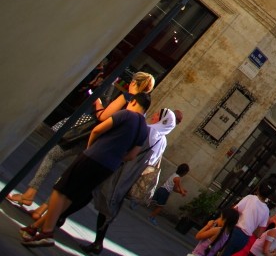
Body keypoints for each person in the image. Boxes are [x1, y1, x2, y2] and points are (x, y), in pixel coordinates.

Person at [7, 71, 156, 217]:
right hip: (106, 147)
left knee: (53, 156)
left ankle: (30, 193)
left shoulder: (127, 98)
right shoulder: (141, 111)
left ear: (134, 83)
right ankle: (43, 209)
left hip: (91, 139)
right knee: (70, 174)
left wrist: (97, 102)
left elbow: (103, 117)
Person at [20, 92, 151, 248]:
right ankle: (36, 228)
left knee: (60, 190)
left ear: (135, 102)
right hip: (108, 167)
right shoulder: (144, 129)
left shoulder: (126, 114)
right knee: (71, 196)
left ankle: (47, 232)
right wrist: (115, 156)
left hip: (94, 156)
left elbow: (98, 130)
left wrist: (90, 148)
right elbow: (131, 156)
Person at [81, 107, 181, 254]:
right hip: (132, 177)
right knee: (109, 202)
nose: (153, 115)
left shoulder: (148, 130)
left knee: (98, 194)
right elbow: (153, 161)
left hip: (122, 170)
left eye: (157, 115)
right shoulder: (163, 140)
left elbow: (131, 149)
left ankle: (94, 239)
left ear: (162, 120)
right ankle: (97, 240)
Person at [218, 176, 276, 256]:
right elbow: (258, 233)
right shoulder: (266, 211)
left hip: (235, 231)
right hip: (244, 239)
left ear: (258, 189)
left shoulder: (250, 198)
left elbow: (234, 211)